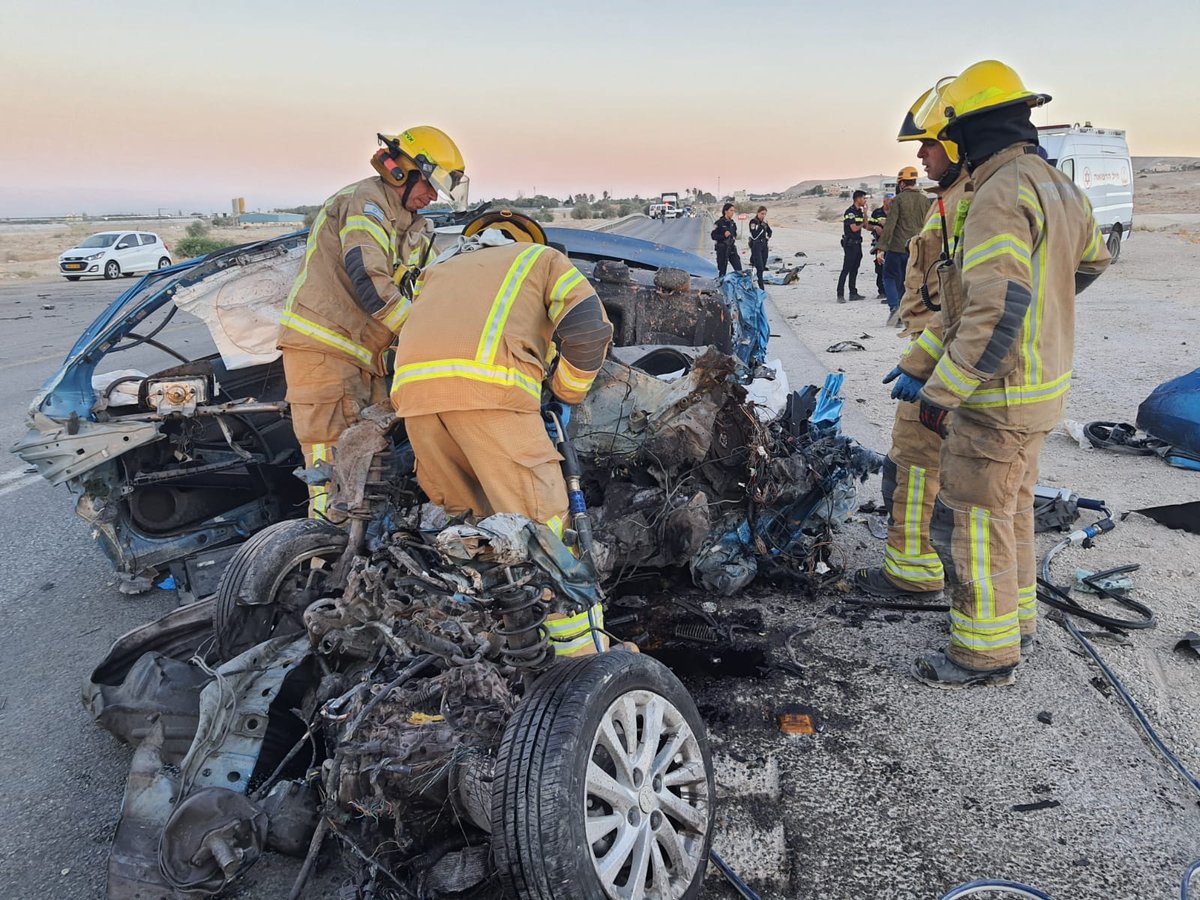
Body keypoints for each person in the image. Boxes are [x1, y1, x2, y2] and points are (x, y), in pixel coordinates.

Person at [895, 60, 1111, 687]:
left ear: (966, 133)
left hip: (1001, 394)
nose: (933, 155)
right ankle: (1016, 620)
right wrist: (1045, 306)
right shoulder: (1056, 184)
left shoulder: (996, 193)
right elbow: (1093, 260)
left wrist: (941, 392)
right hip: (1040, 389)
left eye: (938, 141)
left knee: (979, 517)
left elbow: (992, 312)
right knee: (1012, 507)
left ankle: (982, 654)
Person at [391, 214, 613, 655]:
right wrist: (565, 391)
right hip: (490, 397)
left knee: (477, 532)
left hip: (416, 403)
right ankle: (579, 660)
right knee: (544, 529)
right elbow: (588, 326)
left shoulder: (436, 272)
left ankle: (502, 643)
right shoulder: (543, 259)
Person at [278, 126, 467, 518]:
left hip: (366, 357)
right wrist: (422, 335)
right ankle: (324, 552)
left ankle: (363, 553)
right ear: (401, 171)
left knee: (370, 460)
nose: (432, 197)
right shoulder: (366, 202)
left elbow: (420, 289)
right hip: (325, 351)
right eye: (429, 185)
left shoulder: (411, 224)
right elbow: (369, 278)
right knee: (330, 461)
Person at [854, 80, 971, 606]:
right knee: (924, 461)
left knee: (916, 459)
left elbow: (973, 301)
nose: (921, 155)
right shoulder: (945, 200)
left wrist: (925, 361)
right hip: (940, 347)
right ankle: (923, 564)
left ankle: (915, 572)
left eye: (928, 145)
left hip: (943, 355)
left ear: (953, 145)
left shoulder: (970, 203)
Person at [878, 166, 931, 325]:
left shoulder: (898, 200)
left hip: (896, 248)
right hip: (915, 249)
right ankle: (903, 314)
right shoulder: (924, 200)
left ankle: (895, 308)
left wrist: (881, 247)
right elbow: (929, 224)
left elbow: (890, 225)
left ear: (901, 183)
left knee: (888, 277)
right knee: (906, 282)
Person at [836, 190, 868, 302]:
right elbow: (854, 228)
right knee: (846, 269)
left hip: (858, 244)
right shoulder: (850, 212)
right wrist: (863, 224)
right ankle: (840, 294)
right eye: (864, 198)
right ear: (858, 199)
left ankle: (853, 293)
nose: (865, 200)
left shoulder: (859, 211)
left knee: (855, 269)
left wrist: (865, 213)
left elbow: (866, 225)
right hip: (850, 245)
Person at [868, 194, 892, 299]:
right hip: (880, 244)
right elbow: (868, 226)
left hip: (893, 244)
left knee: (893, 267)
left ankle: (892, 291)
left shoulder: (896, 211)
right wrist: (875, 226)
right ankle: (882, 291)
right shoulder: (877, 213)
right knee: (880, 267)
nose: (891, 202)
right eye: (889, 200)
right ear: (884, 201)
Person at [711, 203, 743, 277]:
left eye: (733, 211)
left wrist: (733, 237)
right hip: (722, 249)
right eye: (731, 210)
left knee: (739, 270)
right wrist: (723, 236)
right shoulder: (719, 223)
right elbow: (713, 236)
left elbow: (734, 234)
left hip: (731, 248)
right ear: (726, 211)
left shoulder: (733, 223)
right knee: (722, 272)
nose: (732, 213)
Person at [748, 206, 773, 290]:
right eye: (762, 213)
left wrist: (768, 237)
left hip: (764, 245)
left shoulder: (765, 222)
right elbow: (754, 235)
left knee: (763, 266)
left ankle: (758, 281)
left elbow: (770, 231)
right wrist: (761, 227)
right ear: (758, 213)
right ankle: (761, 287)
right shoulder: (753, 222)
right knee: (759, 267)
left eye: (765, 214)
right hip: (756, 245)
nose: (763, 215)